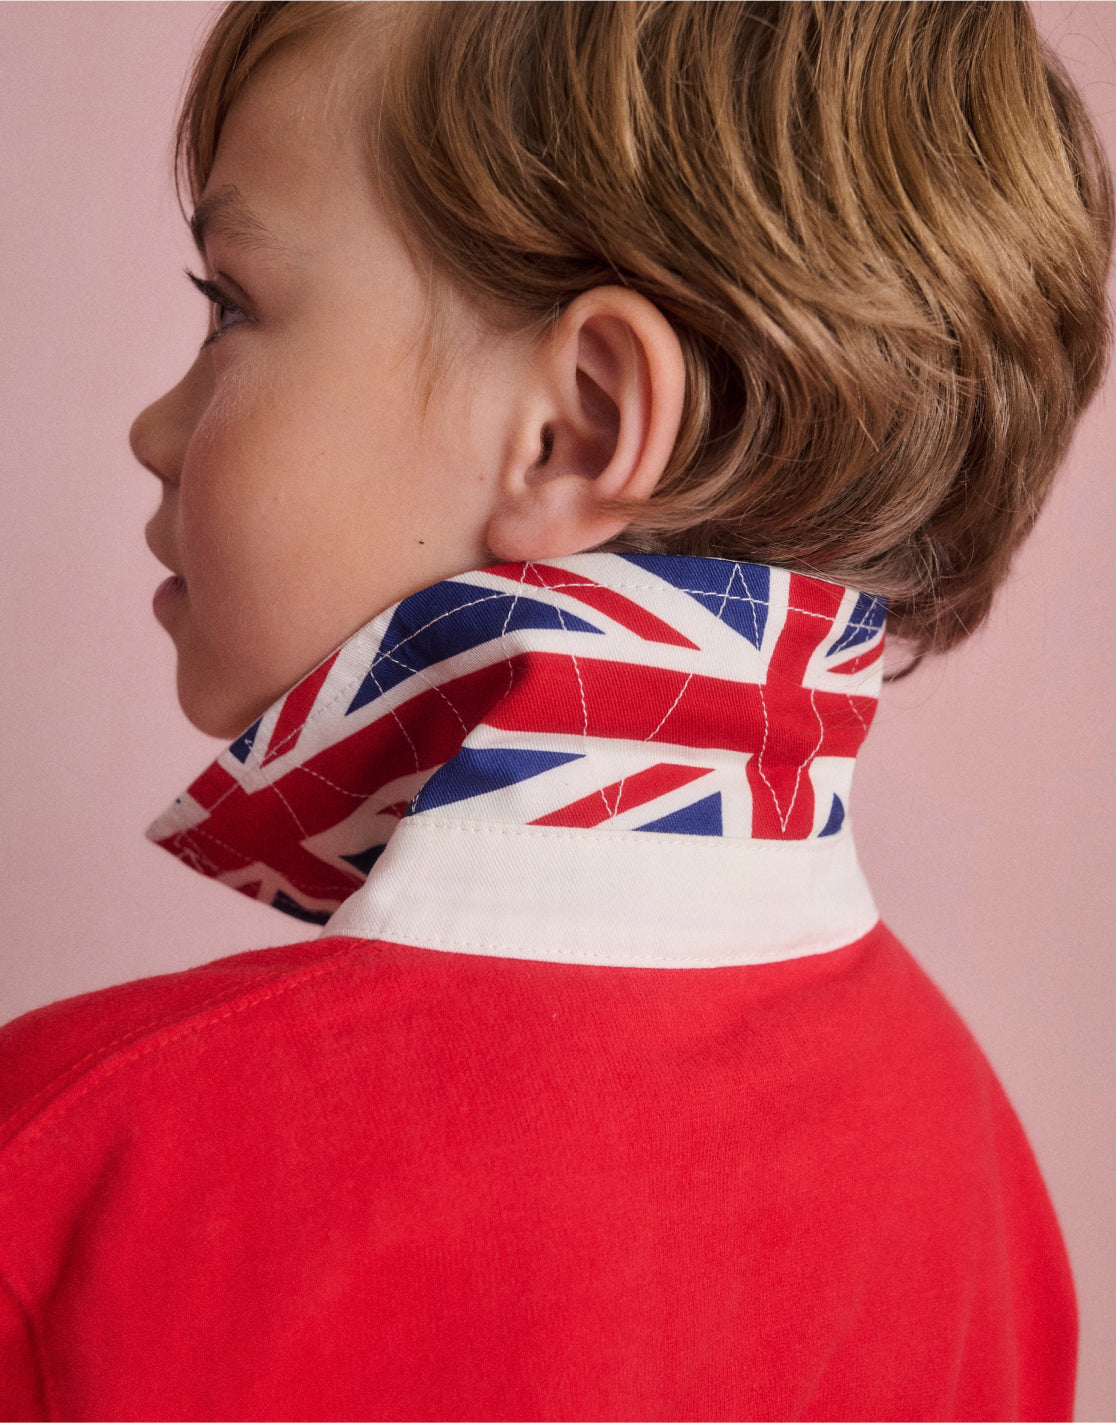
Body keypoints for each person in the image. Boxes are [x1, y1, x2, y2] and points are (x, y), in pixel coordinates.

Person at [0, 2, 1110, 1417]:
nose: (152, 430)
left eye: (231, 305)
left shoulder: (77, 1170)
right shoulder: (980, 1177)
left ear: (576, 425)